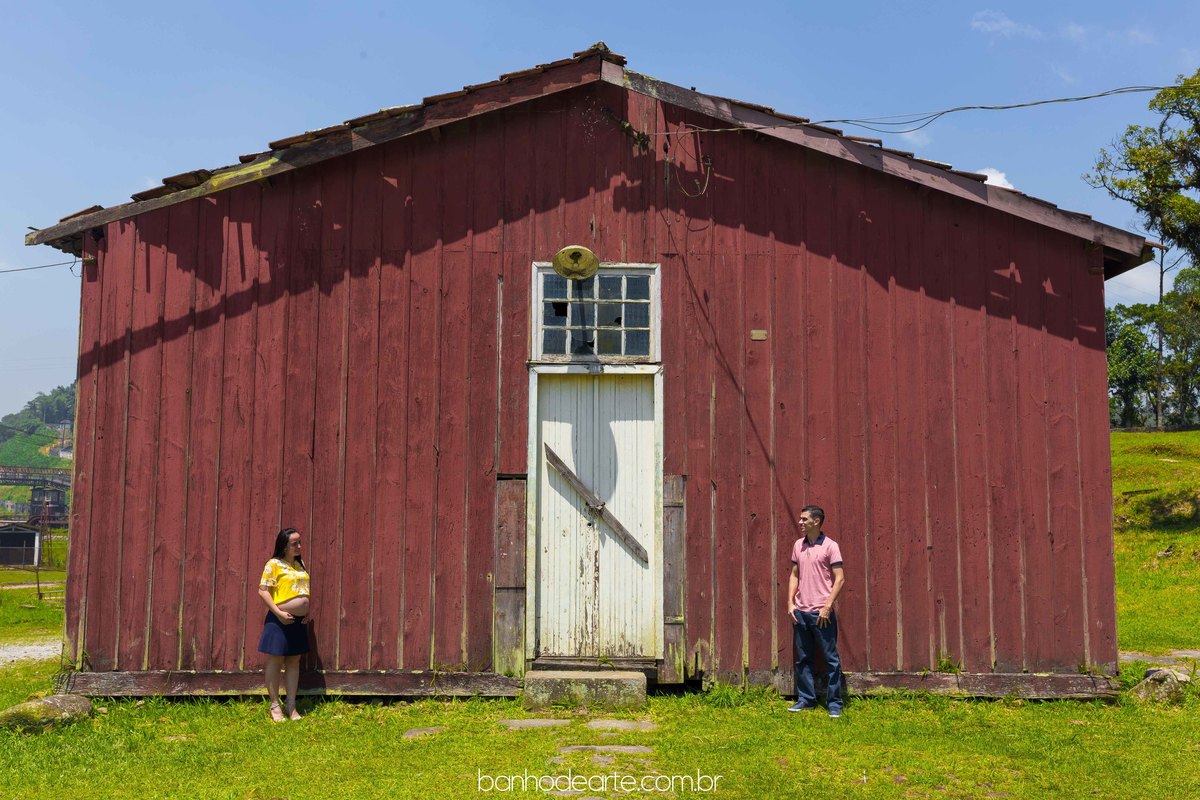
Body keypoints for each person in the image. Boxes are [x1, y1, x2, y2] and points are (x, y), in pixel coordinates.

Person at [786, 505, 845, 718]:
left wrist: (827, 606)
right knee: (803, 659)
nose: (800, 522)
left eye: (804, 519)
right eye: (800, 519)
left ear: (816, 521)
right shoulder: (798, 545)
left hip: (822, 614)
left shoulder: (830, 546)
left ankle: (835, 703)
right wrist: (790, 604)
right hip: (800, 612)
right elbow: (794, 575)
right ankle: (806, 700)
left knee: (831, 660)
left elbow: (840, 579)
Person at [257, 527, 310, 721]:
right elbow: (263, 591)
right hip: (279, 619)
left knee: (294, 661)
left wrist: (305, 611)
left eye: (299, 542)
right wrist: (278, 613)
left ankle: (291, 705)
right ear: (284, 545)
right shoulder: (274, 564)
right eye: (294, 543)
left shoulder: (300, 564)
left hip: (298, 621)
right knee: (276, 660)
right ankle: (274, 706)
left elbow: (302, 591)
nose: (299, 546)